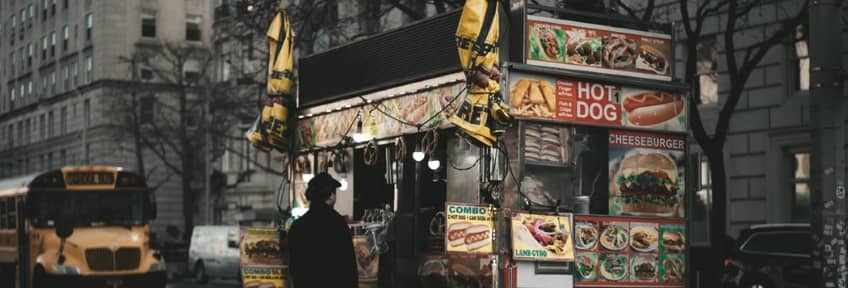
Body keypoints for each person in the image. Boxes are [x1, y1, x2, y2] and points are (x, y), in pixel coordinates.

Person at [288, 173, 358, 288]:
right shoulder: (337, 224)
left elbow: (294, 269)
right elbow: (348, 267)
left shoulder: (297, 226)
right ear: (331, 196)